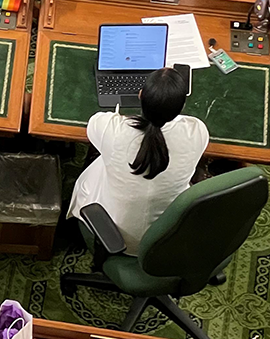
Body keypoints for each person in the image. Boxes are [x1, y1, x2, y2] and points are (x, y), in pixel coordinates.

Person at [68, 68, 209, 256]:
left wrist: (120, 117)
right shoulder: (196, 132)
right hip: (167, 236)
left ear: (140, 95)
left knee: (99, 165)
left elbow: (95, 123)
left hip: (115, 232)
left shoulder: (115, 131)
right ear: (182, 106)